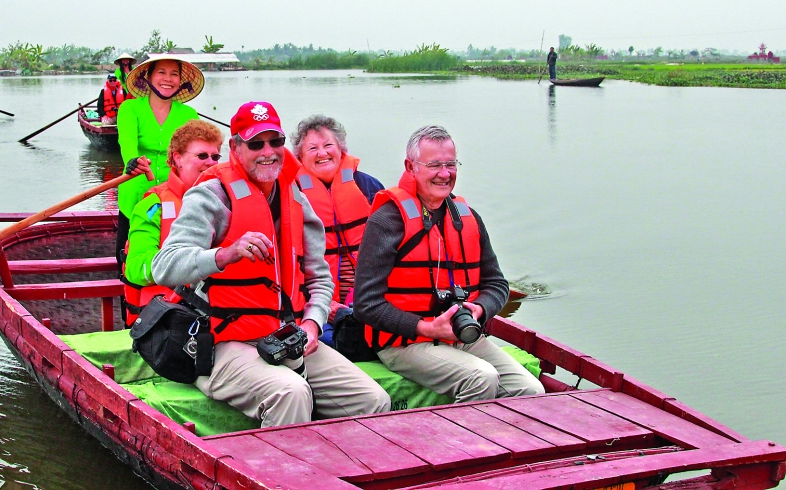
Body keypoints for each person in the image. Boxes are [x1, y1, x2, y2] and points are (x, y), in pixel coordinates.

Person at [153, 101, 391, 428]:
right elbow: (163, 266)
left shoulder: (295, 196)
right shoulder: (212, 195)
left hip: (284, 336)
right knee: (291, 392)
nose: (268, 151)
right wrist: (224, 254)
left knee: (373, 399)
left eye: (275, 141)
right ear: (236, 148)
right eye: (255, 143)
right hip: (222, 343)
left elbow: (320, 279)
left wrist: (312, 324)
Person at [353, 125, 543, 404]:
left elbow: (497, 284)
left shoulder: (468, 218)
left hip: (462, 336)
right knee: (481, 377)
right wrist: (426, 328)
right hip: (403, 343)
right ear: (410, 166)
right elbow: (366, 304)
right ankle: (470, 446)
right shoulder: (387, 221)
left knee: (531, 391)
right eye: (434, 165)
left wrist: (480, 309)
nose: (445, 173)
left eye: (450, 164)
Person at [123, 119, 223, 326]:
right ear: (177, 159)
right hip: (168, 321)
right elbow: (134, 267)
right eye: (202, 156)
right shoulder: (153, 206)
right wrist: (186, 266)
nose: (211, 163)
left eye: (215, 157)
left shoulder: (226, 200)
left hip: (219, 312)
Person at [291, 115, 383, 339]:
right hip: (317, 301)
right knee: (329, 340)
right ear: (299, 157)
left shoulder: (369, 186)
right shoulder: (290, 195)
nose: (322, 153)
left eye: (328, 145)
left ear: (341, 149)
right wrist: (325, 305)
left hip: (368, 297)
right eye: (312, 148)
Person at [115, 55, 204, 261]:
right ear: (149, 76)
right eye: (161, 72)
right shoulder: (130, 108)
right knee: (127, 258)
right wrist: (134, 162)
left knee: (172, 256)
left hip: (173, 195)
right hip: (136, 191)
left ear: (180, 81)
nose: (168, 79)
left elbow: (195, 154)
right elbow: (127, 144)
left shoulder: (189, 114)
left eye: (174, 74)